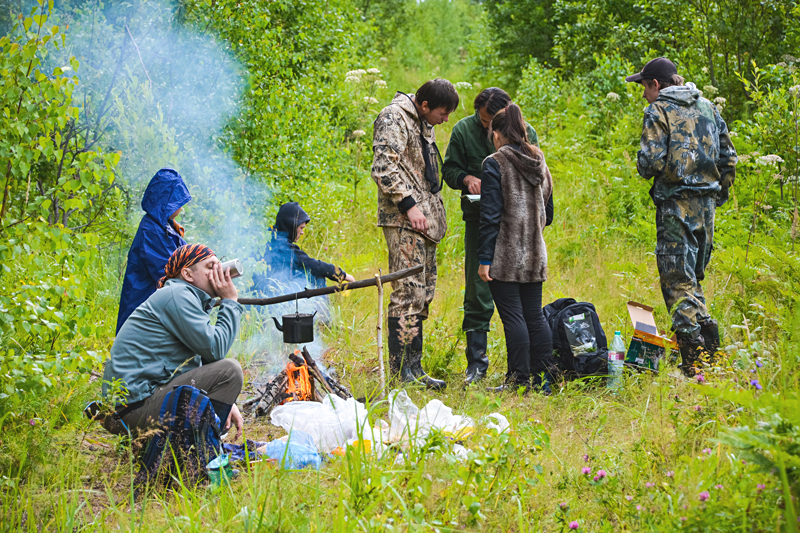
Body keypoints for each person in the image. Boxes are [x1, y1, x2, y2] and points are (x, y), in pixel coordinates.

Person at [625, 57, 737, 377]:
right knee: (693, 280)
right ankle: (710, 352)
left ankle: (694, 363)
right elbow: (729, 157)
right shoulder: (708, 108)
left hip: (676, 206)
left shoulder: (658, 110)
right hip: (707, 208)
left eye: (644, 87)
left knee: (677, 284)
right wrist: (717, 195)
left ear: (656, 85)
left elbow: (650, 163)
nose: (644, 95)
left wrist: (656, 169)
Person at [443, 87, 540, 385]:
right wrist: (467, 178)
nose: (488, 129)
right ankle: (477, 364)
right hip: (479, 221)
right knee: (477, 289)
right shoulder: (462, 130)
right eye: (483, 122)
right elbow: (448, 170)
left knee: (524, 300)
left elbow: (539, 176)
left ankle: (527, 369)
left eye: (493, 123)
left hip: (518, 229)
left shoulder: (527, 133)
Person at [103, 244, 245, 441]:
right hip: (133, 410)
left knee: (226, 372)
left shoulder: (184, 297)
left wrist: (229, 401)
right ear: (187, 274)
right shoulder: (177, 294)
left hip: (135, 405)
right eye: (210, 266)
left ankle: (188, 451)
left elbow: (198, 364)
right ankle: (198, 456)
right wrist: (230, 301)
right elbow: (216, 349)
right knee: (231, 370)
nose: (218, 272)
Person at [371, 78, 459, 390]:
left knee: (422, 294)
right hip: (403, 219)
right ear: (424, 105)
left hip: (425, 221)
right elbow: (383, 167)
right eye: (442, 113)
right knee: (406, 292)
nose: (445, 119)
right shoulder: (393, 117)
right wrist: (409, 206)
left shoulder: (421, 121)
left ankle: (415, 366)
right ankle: (400, 372)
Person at [477, 104, 556, 393]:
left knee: (513, 317)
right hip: (535, 252)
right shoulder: (539, 159)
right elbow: (548, 208)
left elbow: (490, 216)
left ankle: (519, 380)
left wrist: (485, 258)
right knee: (534, 316)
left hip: (506, 254)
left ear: (497, 134)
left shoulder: (494, 163)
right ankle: (543, 381)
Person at [116, 168, 191, 334]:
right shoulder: (152, 231)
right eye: (178, 202)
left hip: (154, 305)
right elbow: (169, 271)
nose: (181, 207)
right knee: (137, 343)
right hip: (143, 303)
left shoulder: (164, 225)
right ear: (167, 202)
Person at [255, 201, 355, 292]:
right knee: (317, 276)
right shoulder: (282, 246)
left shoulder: (270, 236)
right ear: (291, 225)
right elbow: (312, 264)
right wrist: (342, 275)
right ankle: (320, 311)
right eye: (301, 228)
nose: (302, 233)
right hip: (268, 292)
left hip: (267, 287)